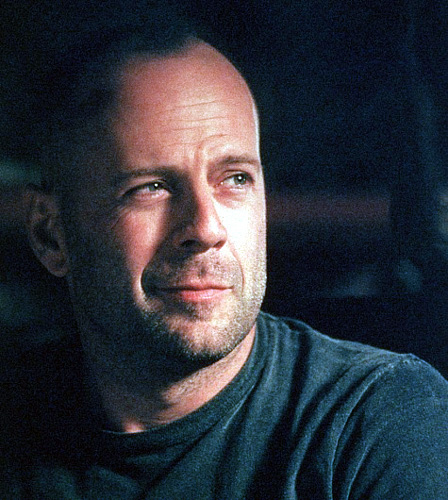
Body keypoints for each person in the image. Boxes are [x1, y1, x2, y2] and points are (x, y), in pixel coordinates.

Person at [1, 10, 447, 499]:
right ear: (50, 235)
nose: (206, 229)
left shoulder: (378, 422)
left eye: (235, 179)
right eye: (150, 187)